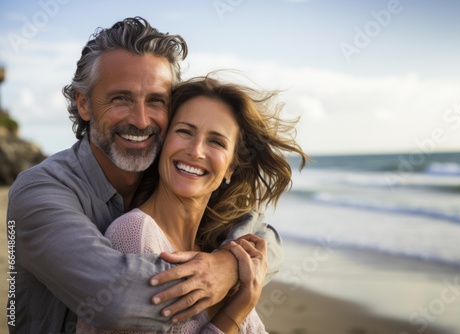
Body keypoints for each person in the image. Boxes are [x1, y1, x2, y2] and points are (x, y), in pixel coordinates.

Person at [6, 17, 284, 333]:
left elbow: (265, 236)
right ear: (83, 104)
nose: (140, 120)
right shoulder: (40, 191)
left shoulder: (173, 170)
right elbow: (119, 300)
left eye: (155, 101)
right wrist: (228, 283)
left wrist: (229, 266)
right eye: (121, 98)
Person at [76, 74, 308, 333]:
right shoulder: (137, 234)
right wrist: (238, 308)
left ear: (231, 166)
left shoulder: (217, 250)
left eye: (216, 141)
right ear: (162, 144)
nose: (196, 150)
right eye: (185, 132)